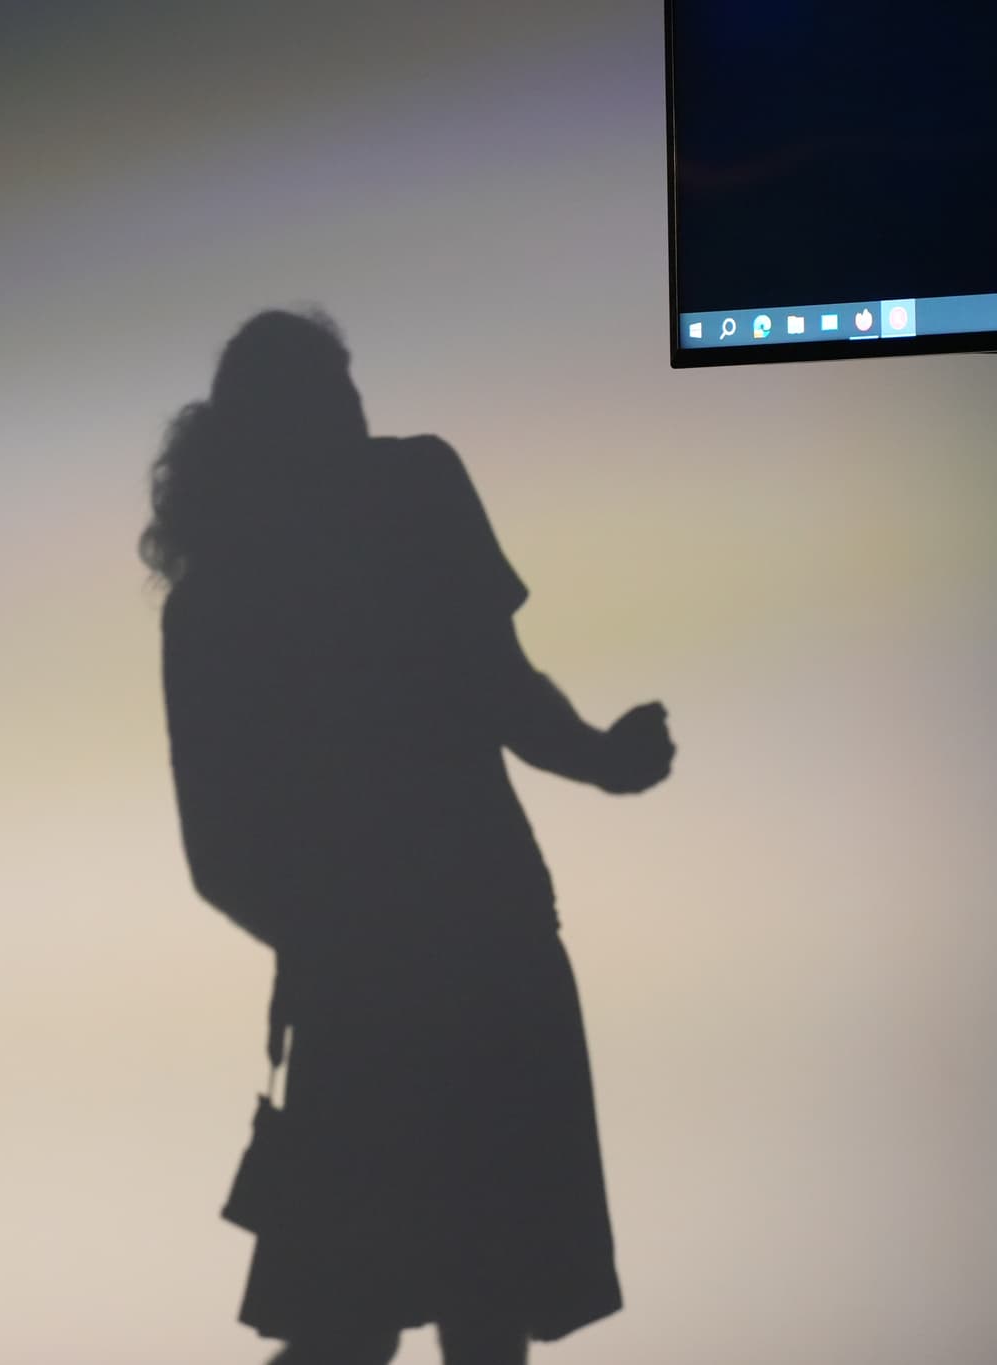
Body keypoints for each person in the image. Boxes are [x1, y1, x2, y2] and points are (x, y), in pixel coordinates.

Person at [146, 310, 672, 1365]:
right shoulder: (414, 491)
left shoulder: (210, 600)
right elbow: (503, 691)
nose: (354, 410)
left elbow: (219, 855)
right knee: (483, 1294)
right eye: (337, 392)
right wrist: (603, 761)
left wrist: (331, 941)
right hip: (486, 940)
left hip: (363, 981)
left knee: (355, 1314)